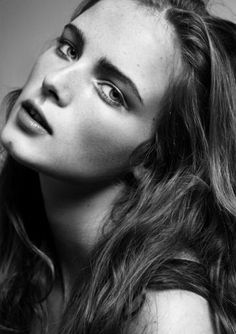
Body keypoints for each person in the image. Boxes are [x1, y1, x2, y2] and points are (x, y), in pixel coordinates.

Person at [0, 0, 236, 332]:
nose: (54, 81)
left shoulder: (167, 318)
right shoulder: (22, 239)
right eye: (69, 49)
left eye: (111, 92)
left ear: (153, 157)